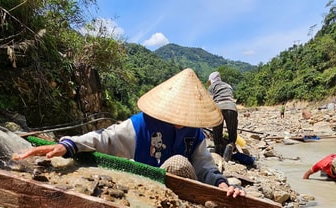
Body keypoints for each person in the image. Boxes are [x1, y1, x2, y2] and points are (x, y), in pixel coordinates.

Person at [15, 68, 245, 198]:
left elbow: (204, 165)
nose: (183, 119)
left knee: (179, 163)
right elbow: (106, 138)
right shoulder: (141, 125)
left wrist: (222, 185)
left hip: (184, 196)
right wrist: (68, 145)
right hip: (150, 194)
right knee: (175, 162)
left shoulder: (194, 134)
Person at [207, 71, 238, 162]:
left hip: (218, 107)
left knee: (217, 131)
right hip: (231, 107)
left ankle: (218, 152)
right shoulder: (228, 86)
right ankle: (230, 146)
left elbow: (210, 100)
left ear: (211, 80)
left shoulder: (212, 86)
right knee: (232, 132)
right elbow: (231, 97)